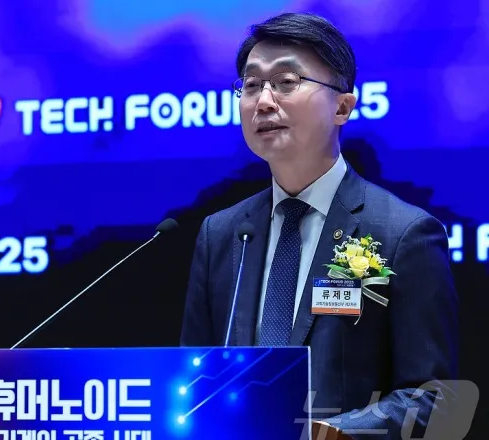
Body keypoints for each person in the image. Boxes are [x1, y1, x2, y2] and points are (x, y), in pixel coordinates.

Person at [179, 12, 459, 440]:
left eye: (286, 81)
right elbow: (192, 376)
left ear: (342, 107)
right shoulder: (220, 233)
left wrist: (328, 434)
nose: (263, 101)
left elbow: (432, 400)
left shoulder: (403, 234)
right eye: (251, 85)